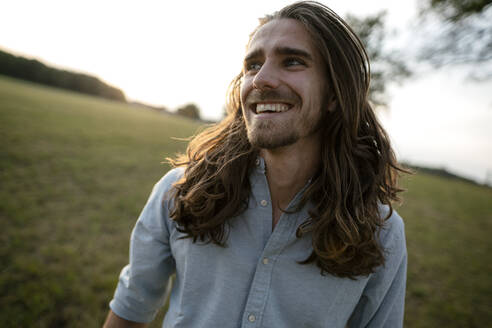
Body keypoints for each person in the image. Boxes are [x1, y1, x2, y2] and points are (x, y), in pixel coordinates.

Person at [103, 1, 408, 327]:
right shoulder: (179, 191)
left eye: (292, 62)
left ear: (335, 94)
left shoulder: (382, 233)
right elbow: (131, 308)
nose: (260, 79)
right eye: (253, 65)